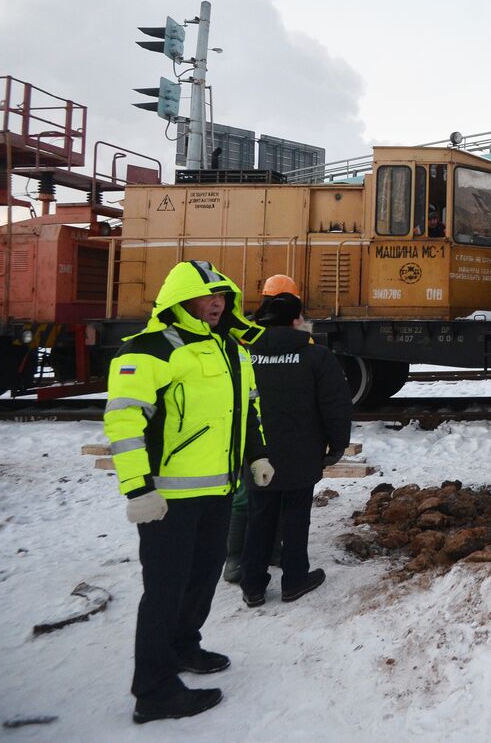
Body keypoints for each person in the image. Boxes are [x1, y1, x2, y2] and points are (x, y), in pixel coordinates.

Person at [103, 260, 269, 723]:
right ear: (180, 300)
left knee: (201, 578)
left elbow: (247, 409)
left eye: (223, 297)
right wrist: (137, 489)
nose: (217, 304)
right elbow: (123, 421)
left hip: (217, 490)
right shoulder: (151, 349)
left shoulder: (230, 349)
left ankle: (183, 647)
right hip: (167, 498)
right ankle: (153, 691)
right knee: (164, 590)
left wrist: (257, 455)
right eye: (207, 296)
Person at [239, 290, 353, 606]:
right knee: (295, 517)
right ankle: (294, 580)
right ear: (296, 320)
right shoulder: (316, 356)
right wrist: (337, 446)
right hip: (301, 454)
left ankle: (253, 586)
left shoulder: (245, 354)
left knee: (258, 517)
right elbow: (336, 406)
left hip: (257, 452)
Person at [223, 274, 301, 585]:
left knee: (265, 493)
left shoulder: (247, 332)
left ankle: (264, 550)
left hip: (267, 424)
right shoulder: (247, 336)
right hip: (254, 425)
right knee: (247, 495)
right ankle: (235, 558)